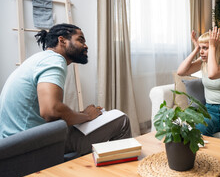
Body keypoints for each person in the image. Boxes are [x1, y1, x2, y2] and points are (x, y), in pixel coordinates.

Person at [0, 23, 131, 157]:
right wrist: (87, 116)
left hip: (12, 141)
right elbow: (51, 111)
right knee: (121, 120)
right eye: (80, 40)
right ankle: (123, 174)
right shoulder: (54, 60)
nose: (86, 46)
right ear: (62, 40)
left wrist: (79, 116)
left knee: (94, 119)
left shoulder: (39, 59)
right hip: (28, 145)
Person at [177, 27, 220, 143]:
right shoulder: (203, 61)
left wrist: (213, 46)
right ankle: (213, 156)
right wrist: (196, 49)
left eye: (205, 48)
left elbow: (213, 74)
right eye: (201, 48)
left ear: (215, 47)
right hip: (210, 111)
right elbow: (181, 71)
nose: (201, 52)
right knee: (197, 130)